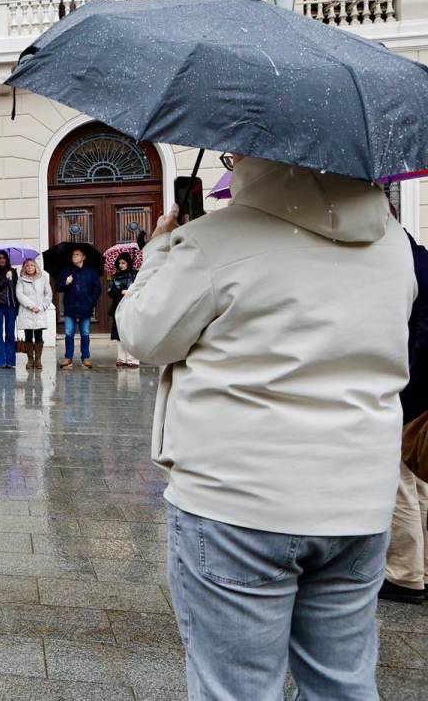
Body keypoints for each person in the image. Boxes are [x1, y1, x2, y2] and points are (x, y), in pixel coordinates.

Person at [116, 157, 417, 700]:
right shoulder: (393, 243)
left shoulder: (216, 240)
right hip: (358, 498)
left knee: (236, 688)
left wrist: (161, 252)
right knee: (343, 682)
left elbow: (143, 336)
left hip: (240, 501)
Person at [381, 230, 428, 604]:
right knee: (417, 480)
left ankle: (404, 573)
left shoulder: (401, 265)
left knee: (398, 480)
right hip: (419, 386)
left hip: (410, 385)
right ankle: (423, 568)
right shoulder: (420, 259)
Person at [57, 248, 101, 369]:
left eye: (77, 254)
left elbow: (97, 288)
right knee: (69, 333)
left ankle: (85, 357)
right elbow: (58, 287)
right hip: (70, 306)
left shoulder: (91, 271)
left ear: (83, 257)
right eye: (73, 254)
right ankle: (68, 358)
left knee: (85, 333)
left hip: (85, 307)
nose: (74, 256)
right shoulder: (67, 270)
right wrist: (66, 282)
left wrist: (92, 302)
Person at [15, 258, 51, 370]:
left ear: (35, 267)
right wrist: (31, 306)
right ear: (24, 268)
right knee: (28, 335)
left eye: (32, 265)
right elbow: (19, 294)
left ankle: (38, 360)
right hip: (27, 311)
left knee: (39, 335)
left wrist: (42, 306)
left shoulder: (43, 278)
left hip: (39, 312)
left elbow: (48, 294)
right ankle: (30, 359)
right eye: (27, 266)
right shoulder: (21, 280)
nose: (29, 267)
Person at [107, 254, 140, 368]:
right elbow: (110, 291)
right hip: (119, 306)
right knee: (120, 333)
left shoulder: (136, 275)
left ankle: (133, 359)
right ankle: (121, 358)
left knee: (131, 333)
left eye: (123, 263)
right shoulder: (116, 276)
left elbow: (142, 288)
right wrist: (121, 292)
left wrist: (132, 292)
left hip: (132, 306)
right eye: (119, 263)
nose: (121, 265)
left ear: (128, 263)